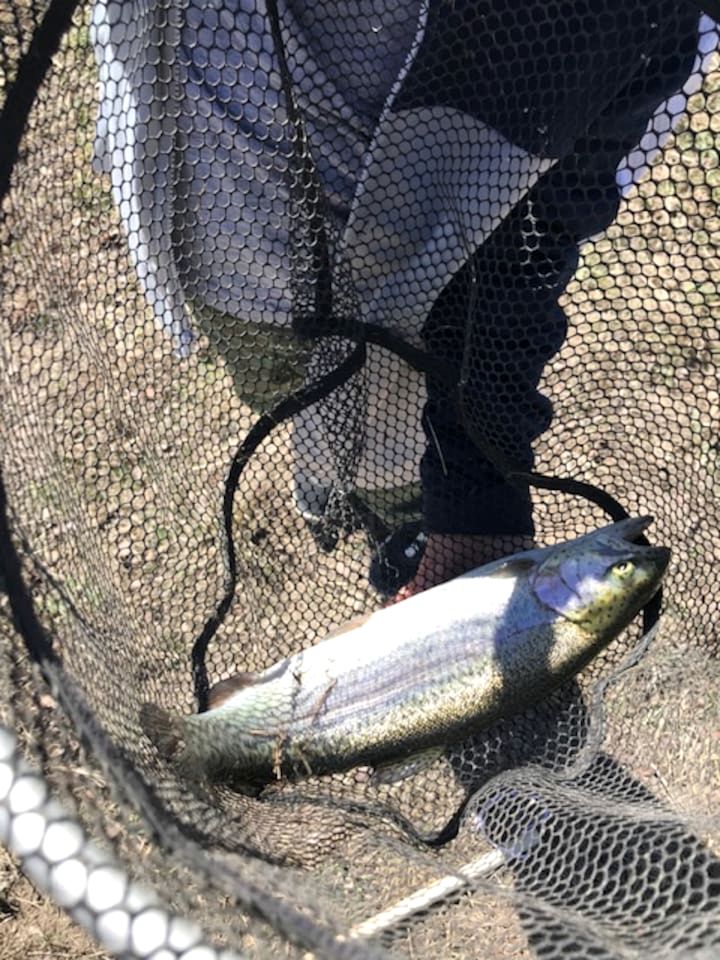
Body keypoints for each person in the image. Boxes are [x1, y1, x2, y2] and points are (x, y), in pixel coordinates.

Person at [91, 0, 706, 599]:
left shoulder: (640, 29)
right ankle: (379, 515)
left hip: (402, 280)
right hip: (224, 219)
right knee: (298, 397)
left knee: (395, 464)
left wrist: (474, 506)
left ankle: (394, 529)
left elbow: (540, 218)